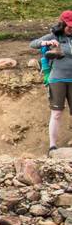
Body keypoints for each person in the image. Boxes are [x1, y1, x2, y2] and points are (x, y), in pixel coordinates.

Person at [30, 10, 72, 153]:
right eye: (69, 26)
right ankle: (52, 146)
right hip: (57, 78)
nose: (71, 28)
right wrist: (46, 42)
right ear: (62, 24)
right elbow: (33, 43)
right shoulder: (55, 36)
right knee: (57, 113)